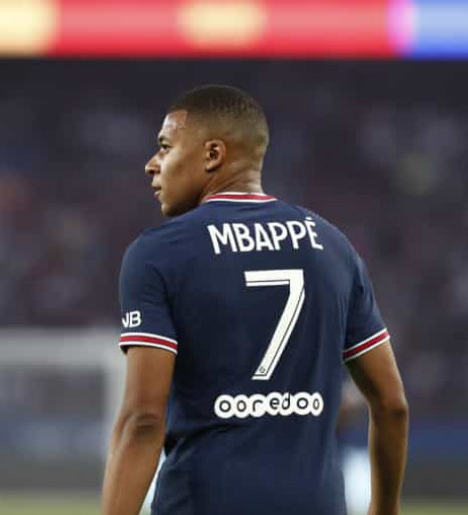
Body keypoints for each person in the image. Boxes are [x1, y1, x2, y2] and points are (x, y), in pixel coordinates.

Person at [101, 85, 408, 515]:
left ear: (212, 154)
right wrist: (385, 509)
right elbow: (392, 405)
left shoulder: (159, 253)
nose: (152, 164)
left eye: (165, 147)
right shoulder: (333, 247)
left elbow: (144, 420)